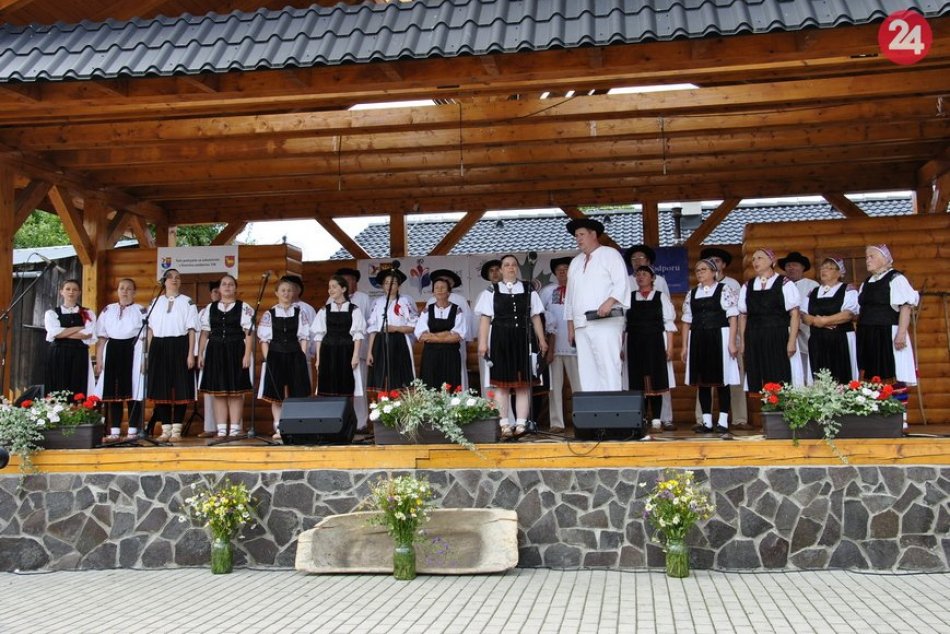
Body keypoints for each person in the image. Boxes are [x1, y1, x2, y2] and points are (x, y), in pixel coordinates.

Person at [476, 254, 548, 438]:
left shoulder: (528, 289)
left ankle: (522, 424)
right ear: (501, 270)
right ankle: (504, 424)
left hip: (523, 339)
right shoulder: (491, 291)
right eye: (506, 265)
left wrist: (542, 339)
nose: (510, 267)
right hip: (500, 339)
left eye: (513, 265)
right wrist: (482, 343)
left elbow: (535, 316)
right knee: (502, 386)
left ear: (517, 268)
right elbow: (485, 319)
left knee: (523, 384)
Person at [564, 218, 630, 391]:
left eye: (582, 234)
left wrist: (610, 301)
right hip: (581, 324)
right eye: (576, 236)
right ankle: (592, 406)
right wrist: (570, 326)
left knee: (608, 365)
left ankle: (611, 404)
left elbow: (622, 283)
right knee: (586, 369)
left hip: (606, 321)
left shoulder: (610, 254)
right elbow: (570, 296)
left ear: (593, 234)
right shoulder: (576, 262)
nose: (578, 239)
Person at [857, 244, 918, 430]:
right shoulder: (867, 282)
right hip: (868, 334)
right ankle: (875, 418)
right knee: (871, 375)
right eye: (866, 257)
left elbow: (905, 306)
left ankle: (900, 418)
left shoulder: (896, 279)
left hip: (888, 333)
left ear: (885, 259)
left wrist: (901, 334)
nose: (867, 260)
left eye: (872, 256)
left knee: (893, 373)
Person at [681, 258, 740, 434]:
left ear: (714, 272)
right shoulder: (692, 293)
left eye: (704, 269)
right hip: (698, 338)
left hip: (719, 336)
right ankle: (706, 422)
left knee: (722, 380)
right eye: (697, 270)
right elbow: (686, 321)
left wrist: (731, 342)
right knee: (703, 382)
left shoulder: (724, 289)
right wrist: (684, 346)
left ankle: (723, 421)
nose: (700, 272)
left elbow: (732, 317)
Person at [697, 247, 748, 429]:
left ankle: (739, 418)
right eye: (709, 261)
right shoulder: (698, 289)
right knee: (704, 380)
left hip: (728, 339)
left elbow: (737, 313)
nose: (714, 263)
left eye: (717, 261)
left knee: (733, 380)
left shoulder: (732, 284)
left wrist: (737, 340)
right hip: (705, 338)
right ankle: (703, 419)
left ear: (723, 265)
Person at [738, 248, 803, 392]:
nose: (755, 261)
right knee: (758, 375)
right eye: (753, 259)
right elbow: (743, 316)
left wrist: (792, 341)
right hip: (754, 336)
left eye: (760, 258)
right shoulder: (748, 286)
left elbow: (795, 314)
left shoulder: (784, 283)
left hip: (778, 334)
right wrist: (743, 342)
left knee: (779, 374)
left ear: (772, 261)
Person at [147, 269, 199, 442]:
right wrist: (149, 353)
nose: (174, 280)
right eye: (170, 277)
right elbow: (150, 330)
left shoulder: (187, 302)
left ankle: (176, 430)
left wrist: (190, 354)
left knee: (180, 387)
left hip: (180, 345)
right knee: (160, 387)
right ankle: (165, 430)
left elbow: (192, 329)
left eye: (177, 277)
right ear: (164, 281)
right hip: (159, 346)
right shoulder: (155, 302)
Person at [198, 274, 254, 437]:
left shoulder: (243, 307)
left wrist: (247, 354)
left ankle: (235, 428)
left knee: (236, 392)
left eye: (231, 284)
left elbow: (249, 333)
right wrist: (200, 354)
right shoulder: (210, 308)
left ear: (235, 288)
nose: (227, 287)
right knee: (219, 392)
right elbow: (204, 333)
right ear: (219, 288)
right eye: (224, 284)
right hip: (215, 351)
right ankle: (222, 429)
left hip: (236, 350)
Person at [625, 244, 673, 428]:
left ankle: (659, 419)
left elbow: (668, 321)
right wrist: (621, 346)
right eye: (638, 274)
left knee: (657, 380)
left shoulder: (660, 293)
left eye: (644, 273)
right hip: (635, 342)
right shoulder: (629, 294)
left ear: (652, 277)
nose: (640, 277)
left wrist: (670, 347)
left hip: (655, 341)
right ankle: (642, 418)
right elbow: (624, 324)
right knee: (638, 381)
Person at [259, 277, 312, 442]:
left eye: (289, 290)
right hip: (275, 355)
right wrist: (268, 359)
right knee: (276, 394)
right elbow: (264, 340)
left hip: (295, 354)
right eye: (283, 290)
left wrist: (302, 354)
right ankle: (279, 427)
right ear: (276, 293)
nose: (286, 293)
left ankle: (296, 426)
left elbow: (304, 337)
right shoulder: (269, 314)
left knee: (297, 391)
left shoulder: (299, 312)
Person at [94, 278, 144, 441]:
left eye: (129, 288)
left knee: (133, 391)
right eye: (121, 288)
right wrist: (99, 359)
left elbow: (147, 335)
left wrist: (145, 360)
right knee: (113, 391)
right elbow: (102, 336)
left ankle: (132, 431)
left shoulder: (140, 310)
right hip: (112, 350)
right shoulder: (108, 310)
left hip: (133, 349)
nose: (125, 291)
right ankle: (114, 431)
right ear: (117, 291)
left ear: (134, 292)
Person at [800, 257, 858, 384]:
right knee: (819, 377)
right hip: (817, 341)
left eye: (829, 268)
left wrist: (825, 321)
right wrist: (816, 321)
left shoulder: (847, 289)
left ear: (839, 273)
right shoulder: (813, 291)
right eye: (823, 268)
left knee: (842, 376)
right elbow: (803, 315)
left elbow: (848, 314)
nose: (824, 270)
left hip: (840, 340)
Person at [540, 257, 580, 433]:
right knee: (554, 387)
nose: (562, 272)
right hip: (554, 347)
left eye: (566, 268)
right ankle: (556, 422)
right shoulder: (548, 291)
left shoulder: (578, 289)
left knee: (578, 385)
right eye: (559, 269)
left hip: (575, 346)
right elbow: (540, 315)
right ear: (555, 273)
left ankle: (582, 419)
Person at [366, 266, 417, 397]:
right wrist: (370, 352)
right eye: (386, 283)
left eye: (393, 283)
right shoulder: (377, 303)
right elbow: (373, 329)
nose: (389, 286)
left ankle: (401, 404)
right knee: (381, 377)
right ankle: (382, 405)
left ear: (399, 286)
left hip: (399, 341)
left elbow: (413, 326)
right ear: (382, 286)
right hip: (380, 342)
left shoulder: (405, 302)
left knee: (400, 377)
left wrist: (396, 328)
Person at [312, 275, 366, 398]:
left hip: (346, 351)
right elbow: (319, 336)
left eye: (334, 287)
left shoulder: (354, 309)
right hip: (328, 351)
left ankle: (346, 410)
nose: (330, 290)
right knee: (327, 387)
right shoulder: (324, 310)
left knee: (346, 387)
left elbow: (357, 335)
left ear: (343, 289)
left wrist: (355, 356)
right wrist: (318, 359)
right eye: (329, 287)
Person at [44, 278, 97, 399]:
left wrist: (63, 332)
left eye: (74, 289)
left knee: (78, 386)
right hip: (58, 353)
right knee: (58, 386)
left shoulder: (87, 313)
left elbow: (87, 334)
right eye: (67, 289)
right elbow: (54, 333)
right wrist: (78, 327)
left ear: (79, 292)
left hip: (79, 353)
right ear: (61, 292)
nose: (71, 292)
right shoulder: (52, 313)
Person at [335, 267, 372, 430]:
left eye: (350, 280)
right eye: (343, 280)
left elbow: (370, 323)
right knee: (340, 387)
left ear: (355, 283)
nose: (346, 283)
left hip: (359, 350)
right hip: (338, 350)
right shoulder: (331, 299)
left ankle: (360, 423)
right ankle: (341, 422)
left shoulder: (363, 298)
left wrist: (368, 350)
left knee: (359, 388)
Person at [425, 269, 474, 391]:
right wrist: (439, 336)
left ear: (451, 284)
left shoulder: (460, 300)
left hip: (456, 344)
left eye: (446, 282)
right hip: (433, 347)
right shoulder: (431, 301)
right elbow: (425, 328)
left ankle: (460, 396)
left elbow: (467, 321)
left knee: (457, 370)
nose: (441, 288)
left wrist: (468, 339)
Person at [416, 277, 467, 389]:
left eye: (443, 287)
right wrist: (447, 334)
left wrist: (433, 336)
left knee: (450, 387)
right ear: (433, 292)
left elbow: (457, 336)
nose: (439, 290)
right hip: (430, 356)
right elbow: (422, 335)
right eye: (436, 288)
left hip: (451, 355)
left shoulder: (457, 310)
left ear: (448, 291)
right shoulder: (427, 310)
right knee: (430, 387)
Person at [779, 251, 819, 383]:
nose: (791, 268)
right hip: (785, 331)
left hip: (805, 331)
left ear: (803, 267)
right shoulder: (781, 285)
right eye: (788, 265)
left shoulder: (812, 285)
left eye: (795, 265)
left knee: (807, 364)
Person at [195, 280, 221, 438]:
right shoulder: (205, 312)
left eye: (220, 291)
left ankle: (234, 427)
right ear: (211, 294)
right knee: (210, 390)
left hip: (230, 348)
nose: (218, 294)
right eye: (215, 291)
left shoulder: (237, 308)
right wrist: (199, 354)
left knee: (233, 390)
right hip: (210, 350)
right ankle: (211, 427)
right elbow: (200, 334)